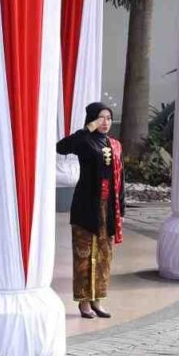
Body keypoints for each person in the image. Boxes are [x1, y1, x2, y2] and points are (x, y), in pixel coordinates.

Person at [56, 102, 125, 319]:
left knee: (104, 255)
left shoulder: (115, 145)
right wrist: (87, 129)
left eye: (109, 118)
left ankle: (98, 300)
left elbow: (120, 179)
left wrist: (121, 209)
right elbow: (62, 147)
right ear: (92, 119)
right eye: (101, 117)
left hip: (108, 208)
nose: (106, 122)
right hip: (86, 207)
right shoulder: (85, 141)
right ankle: (84, 302)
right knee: (84, 255)